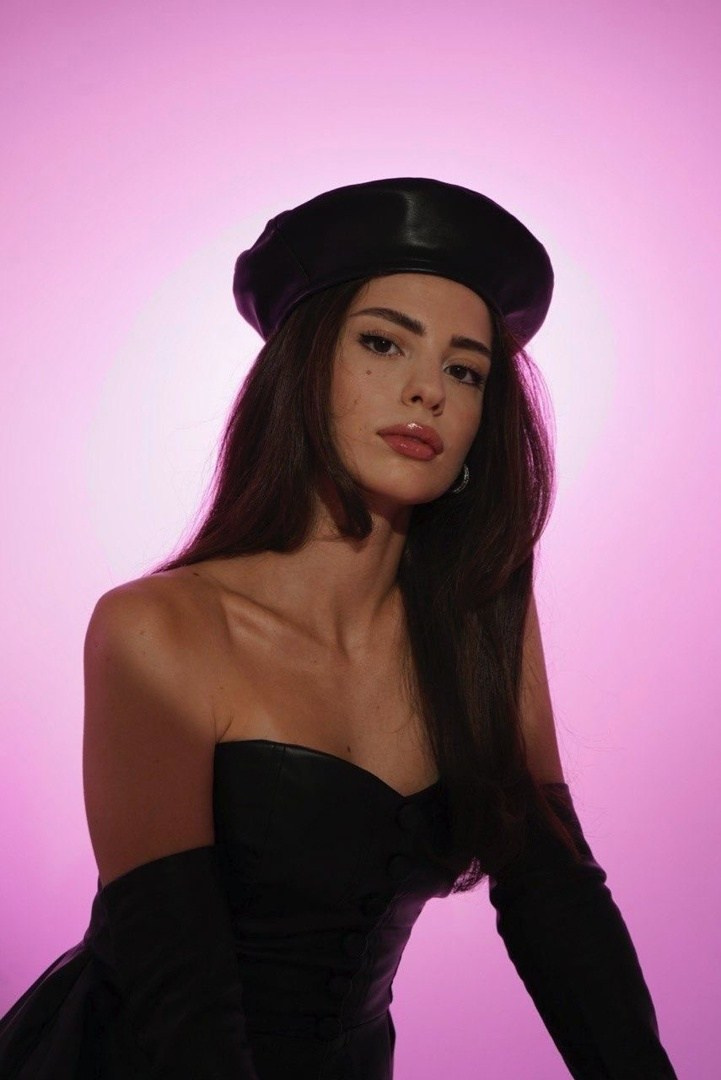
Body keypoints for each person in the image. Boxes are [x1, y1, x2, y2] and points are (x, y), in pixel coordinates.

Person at [0, 177, 678, 1079]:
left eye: (464, 370)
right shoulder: (158, 629)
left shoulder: (480, 622)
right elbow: (181, 1004)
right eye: (382, 342)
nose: (425, 390)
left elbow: (555, 898)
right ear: (304, 366)